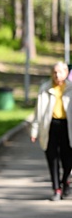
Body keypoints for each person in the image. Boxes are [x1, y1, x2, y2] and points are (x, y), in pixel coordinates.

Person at [30, 61, 72, 201]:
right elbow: (38, 112)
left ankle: (65, 180)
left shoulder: (71, 88)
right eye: (54, 72)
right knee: (52, 157)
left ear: (66, 73)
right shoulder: (45, 88)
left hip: (68, 127)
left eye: (60, 72)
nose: (56, 75)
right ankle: (56, 189)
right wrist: (34, 130)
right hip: (50, 126)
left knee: (68, 159)